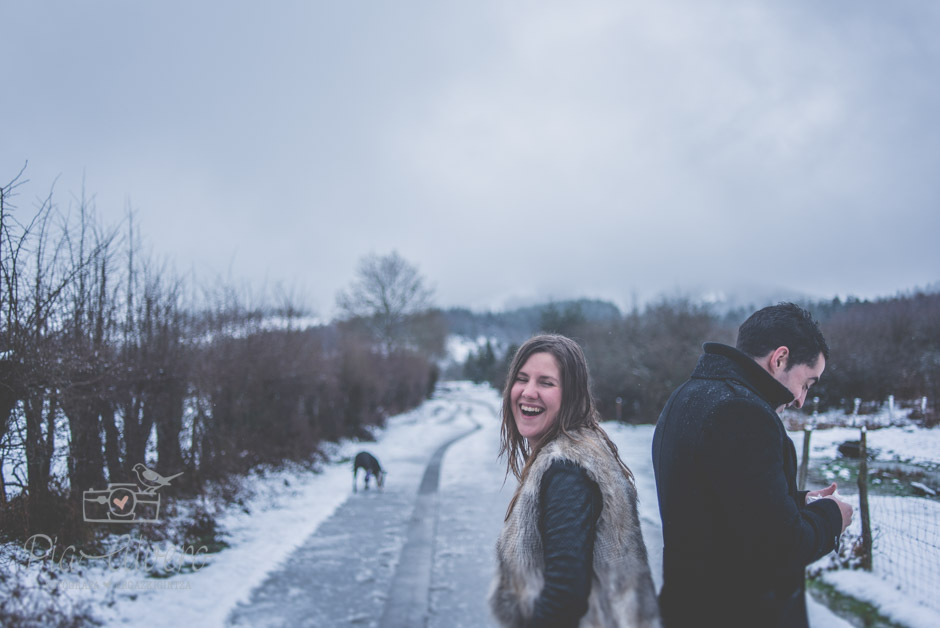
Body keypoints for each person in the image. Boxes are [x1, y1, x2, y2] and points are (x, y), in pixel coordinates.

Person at [652, 303, 853, 627]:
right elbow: (782, 547)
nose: (801, 399)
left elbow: (720, 503)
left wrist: (798, 502)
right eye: (807, 383)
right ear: (780, 359)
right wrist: (833, 516)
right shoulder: (745, 414)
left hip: (688, 607)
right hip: (739, 612)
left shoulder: (687, 395)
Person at [489, 334, 660, 628]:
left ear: (571, 395)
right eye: (522, 378)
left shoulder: (568, 471)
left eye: (546, 382)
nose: (529, 392)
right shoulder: (576, 456)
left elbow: (563, 598)